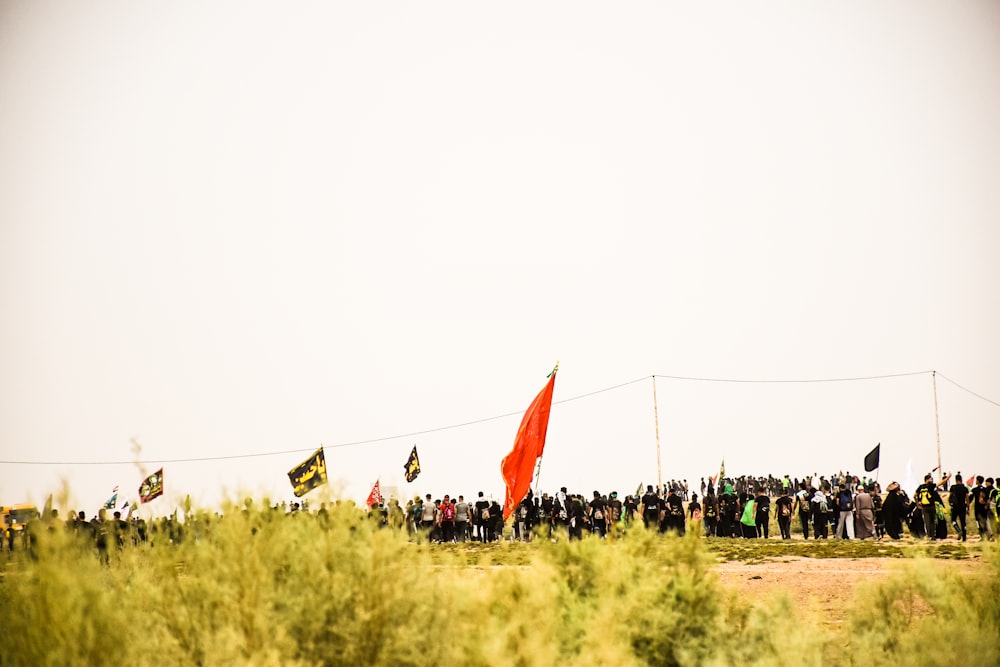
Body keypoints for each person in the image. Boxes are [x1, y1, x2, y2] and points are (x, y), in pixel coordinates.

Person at [914, 474, 943, 540]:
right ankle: (932, 536)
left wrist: (917, 503)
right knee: (931, 522)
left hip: (924, 507)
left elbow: (914, 495)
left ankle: (930, 536)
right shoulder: (930, 486)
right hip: (931, 506)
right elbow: (940, 483)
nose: (932, 480)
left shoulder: (920, 487)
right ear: (927, 479)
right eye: (930, 479)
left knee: (928, 522)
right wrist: (947, 478)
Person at [971, 476, 995, 541]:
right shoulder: (986, 490)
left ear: (978, 481)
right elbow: (988, 499)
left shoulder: (974, 490)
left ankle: (982, 536)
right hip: (984, 509)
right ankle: (988, 536)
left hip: (977, 509)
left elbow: (970, 498)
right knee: (985, 522)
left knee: (978, 523)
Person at [948, 475, 969, 541]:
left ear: (956, 480)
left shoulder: (953, 487)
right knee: (963, 522)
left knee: (953, 520)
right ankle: (964, 538)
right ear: (961, 479)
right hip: (962, 506)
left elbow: (950, 497)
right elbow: (967, 499)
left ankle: (958, 530)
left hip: (955, 507)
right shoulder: (965, 488)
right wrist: (968, 508)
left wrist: (950, 503)